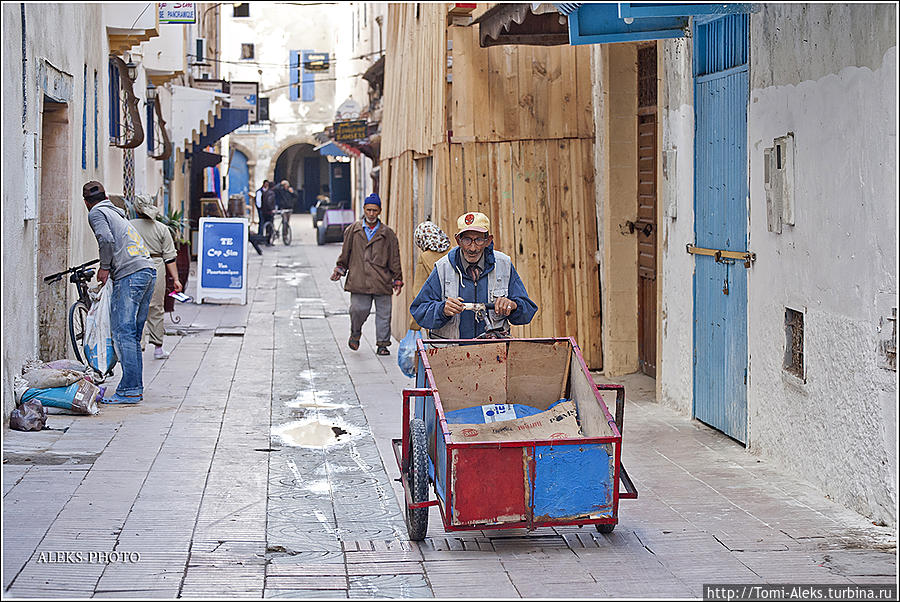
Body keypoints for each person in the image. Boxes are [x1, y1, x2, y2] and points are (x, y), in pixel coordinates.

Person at [82, 181, 156, 404]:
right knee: (131, 335)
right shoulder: (117, 213)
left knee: (123, 333)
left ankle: (131, 389)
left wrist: (104, 267)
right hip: (148, 271)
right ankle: (133, 387)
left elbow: (105, 238)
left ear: (86, 202)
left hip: (131, 274)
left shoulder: (96, 213)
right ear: (106, 196)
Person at [410, 211, 537, 340]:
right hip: (451, 355)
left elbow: (527, 311)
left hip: (494, 354)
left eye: (479, 240)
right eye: (467, 240)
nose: (472, 248)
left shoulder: (504, 264)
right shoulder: (443, 267)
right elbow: (419, 310)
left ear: (488, 240)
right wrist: (442, 309)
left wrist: (513, 305)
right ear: (458, 241)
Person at [330, 193, 403, 355]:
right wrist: (339, 269)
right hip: (359, 279)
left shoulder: (387, 233)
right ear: (364, 209)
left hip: (382, 280)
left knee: (384, 314)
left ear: (379, 211)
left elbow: (395, 257)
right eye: (368, 210)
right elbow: (345, 253)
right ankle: (355, 333)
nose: (371, 214)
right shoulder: (353, 230)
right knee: (357, 309)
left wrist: (397, 278)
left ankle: (382, 344)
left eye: (374, 210)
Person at [130, 197, 183, 359]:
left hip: (134, 265)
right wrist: (176, 279)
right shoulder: (162, 228)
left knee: (134, 306)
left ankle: (137, 344)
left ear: (136, 209)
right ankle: (158, 348)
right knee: (156, 307)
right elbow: (169, 257)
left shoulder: (128, 226)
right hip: (156, 266)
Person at [408, 221, 451, 331]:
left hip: (437, 312)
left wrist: (414, 326)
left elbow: (419, 293)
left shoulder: (425, 257)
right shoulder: (454, 251)